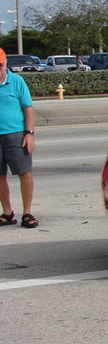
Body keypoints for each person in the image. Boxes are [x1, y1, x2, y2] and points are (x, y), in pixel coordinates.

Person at [0, 48, 37, 228]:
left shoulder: (16, 81)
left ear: (5, 63)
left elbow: (28, 108)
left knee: (25, 173)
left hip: (16, 134)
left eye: (0, 65)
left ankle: (27, 213)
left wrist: (29, 134)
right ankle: (7, 213)